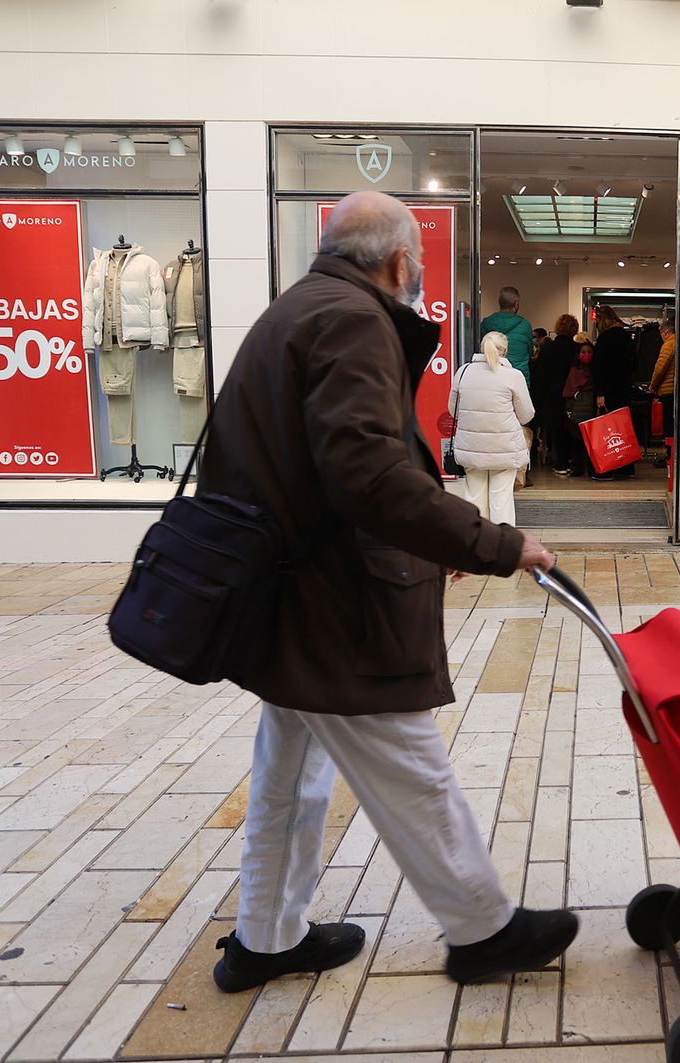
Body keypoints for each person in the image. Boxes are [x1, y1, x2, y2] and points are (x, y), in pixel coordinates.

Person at [199, 191, 577, 994]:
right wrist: (496, 541)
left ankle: (267, 935)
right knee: (411, 767)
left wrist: (425, 535)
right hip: (339, 602)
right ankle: (483, 929)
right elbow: (368, 474)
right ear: (400, 262)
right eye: (418, 265)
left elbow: (322, 466)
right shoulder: (352, 321)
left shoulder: (295, 311)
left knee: (289, 773)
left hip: (291, 593)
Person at [450, 331, 535, 525]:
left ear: (481, 348)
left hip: (471, 448)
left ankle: (478, 545)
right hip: (504, 449)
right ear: (505, 351)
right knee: (501, 500)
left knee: (474, 498)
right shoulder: (513, 376)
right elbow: (526, 414)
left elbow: (452, 409)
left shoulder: (463, 372)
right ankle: (503, 547)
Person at [590, 304, 637, 480]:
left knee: (607, 430)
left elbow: (599, 368)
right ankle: (626, 467)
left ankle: (607, 468)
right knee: (623, 428)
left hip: (608, 391)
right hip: (624, 389)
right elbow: (635, 363)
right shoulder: (626, 338)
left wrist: (600, 393)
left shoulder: (604, 340)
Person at [533, 314, 580, 476]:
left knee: (557, 430)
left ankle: (561, 463)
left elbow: (540, 374)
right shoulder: (577, 349)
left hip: (552, 395)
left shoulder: (548, 348)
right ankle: (574, 462)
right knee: (572, 430)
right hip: (574, 395)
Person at [480, 287, 533, 388]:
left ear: (499, 302)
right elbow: (529, 351)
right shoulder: (525, 325)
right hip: (519, 377)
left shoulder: (486, 323)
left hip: (492, 376)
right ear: (516, 304)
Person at [563, 334, 597, 477]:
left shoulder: (595, 371)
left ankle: (589, 466)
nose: (587, 355)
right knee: (577, 440)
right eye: (583, 352)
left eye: (589, 352)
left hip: (589, 409)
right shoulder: (574, 371)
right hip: (578, 410)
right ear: (578, 355)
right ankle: (578, 466)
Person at [650, 316, 677, 467]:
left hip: (668, 390)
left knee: (669, 426)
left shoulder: (668, 345)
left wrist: (653, 385)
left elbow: (660, 368)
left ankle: (669, 457)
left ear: (666, 332)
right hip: (674, 390)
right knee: (673, 425)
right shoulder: (679, 344)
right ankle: (671, 456)